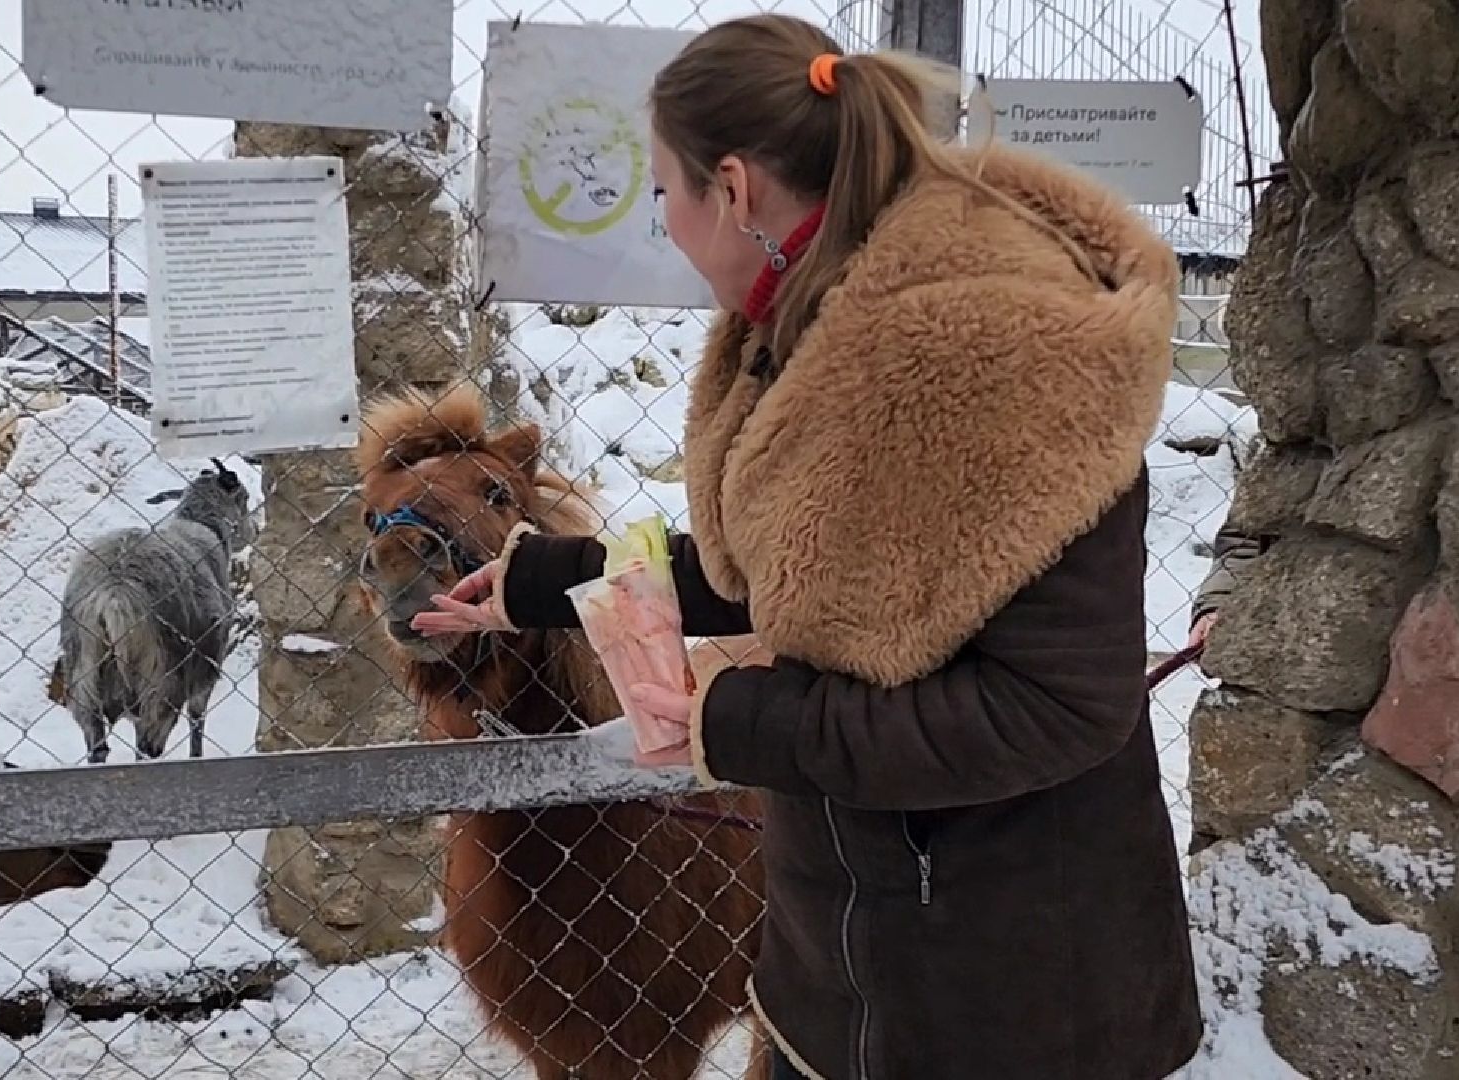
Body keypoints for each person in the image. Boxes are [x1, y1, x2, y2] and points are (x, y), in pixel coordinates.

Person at [412, 14, 1202, 1079]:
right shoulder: (814, 332)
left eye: (663, 193)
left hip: (1003, 995)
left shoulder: (1002, 365)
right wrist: (548, 578)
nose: (666, 223)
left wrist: (739, 720)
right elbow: (802, 559)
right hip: (846, 954)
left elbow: (1059, 706)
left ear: (733, 190)